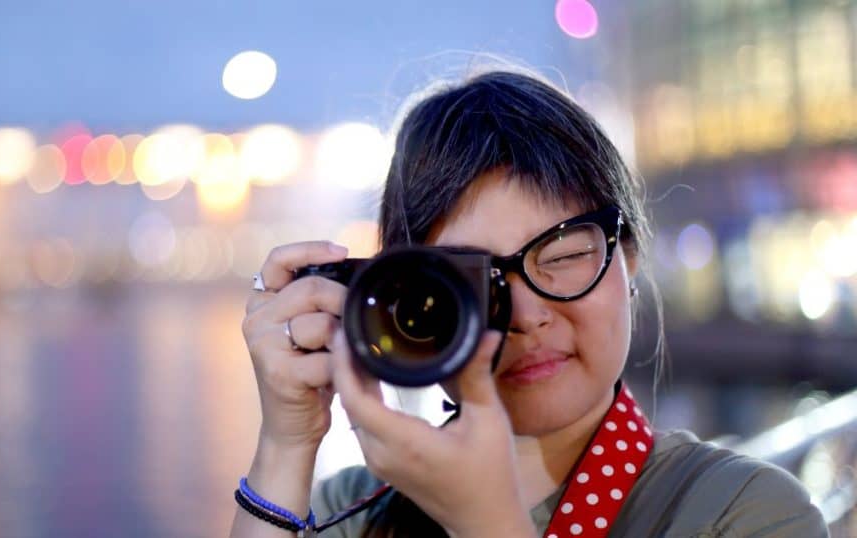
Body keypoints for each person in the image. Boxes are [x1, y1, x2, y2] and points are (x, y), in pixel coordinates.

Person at [231, 68, 828, 537]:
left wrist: (484, 523)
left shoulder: (743, 514)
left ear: (629, 256)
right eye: (469, 280)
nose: (524, 314)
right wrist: (287, 445)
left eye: (564, 254)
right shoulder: (358, 507)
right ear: (402, 303)